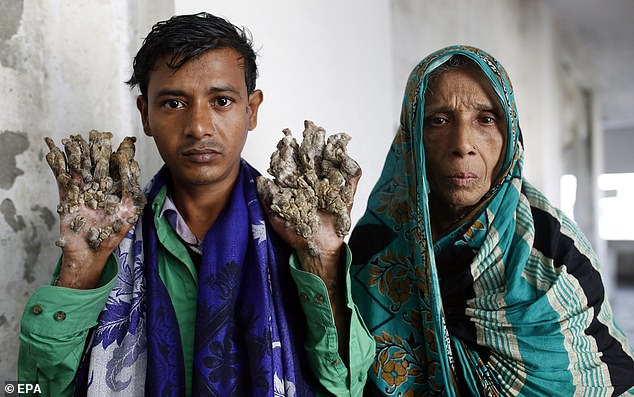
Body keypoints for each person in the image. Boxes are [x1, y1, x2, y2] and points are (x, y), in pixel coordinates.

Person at [18, 12, 374, 396]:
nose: (198, 126)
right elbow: (33, 388)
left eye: (221, 100)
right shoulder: (106, 233)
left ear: (251, 110)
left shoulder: (297, 229)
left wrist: (321, 260)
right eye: (173, 103)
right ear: (146, 115)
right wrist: (77, 272)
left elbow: (347, 385)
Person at [348, 45, 634, 395]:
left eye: (485, 119)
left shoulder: (552, 251)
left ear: (510, 136)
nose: (462, 144)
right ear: (412, 138)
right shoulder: (377, 244)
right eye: (438, 120)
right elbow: (343, 372)